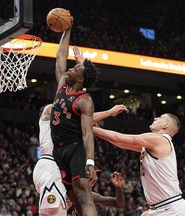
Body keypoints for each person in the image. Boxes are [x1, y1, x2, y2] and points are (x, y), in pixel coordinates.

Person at [33, 104, 127, 215]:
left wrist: (118, 187)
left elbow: (118, 203)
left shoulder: (74, 186)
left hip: (54, 168)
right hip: (51, 164)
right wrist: (109, 112)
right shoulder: (48, 121)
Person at [50, 18, 101, 215]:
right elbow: (59, 57)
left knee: (85, 197)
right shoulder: (62, 84)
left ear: (80, 78)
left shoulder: (84, 100)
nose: (70, 69)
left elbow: (88, 133)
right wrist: (67, 30)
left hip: (75, 149)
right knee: (74, 201)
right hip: (58, 150)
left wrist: (90, 162)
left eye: (75, 69)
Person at [93, 113, 185, 216]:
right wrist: (97, 130)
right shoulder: (154, 144)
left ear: (165, 125)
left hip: (170, 208)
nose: (155, 118)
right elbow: (120, 143)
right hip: (161, 207)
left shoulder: (159, 139)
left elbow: (117, 138)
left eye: (160, 117)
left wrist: (89, 127)